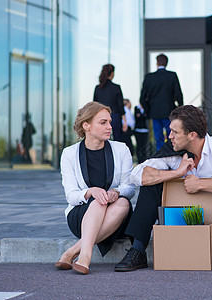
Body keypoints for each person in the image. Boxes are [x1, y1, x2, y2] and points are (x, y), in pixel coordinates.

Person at [114, 105, 212, 273]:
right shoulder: (172, 151)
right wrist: (176, 173)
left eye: (174, 132)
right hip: (182, 219)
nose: (169, 136)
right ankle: (138, 249)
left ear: (192, 135)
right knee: (152, 183)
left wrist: (199, 184)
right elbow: (136, 176)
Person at [56, 102, 136, 275]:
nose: (109, 126)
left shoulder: (121, 149)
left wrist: (116, 192)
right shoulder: (69, 154)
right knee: (98, 201)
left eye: (109, 121)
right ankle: (84, 255)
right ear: (86, 126)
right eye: (103, 122)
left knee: (123, 203)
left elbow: (129, 187)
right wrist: (91, 191)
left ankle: (75, 252)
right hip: (81, 214)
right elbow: (71, 196)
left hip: (115, 215)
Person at [140, 53, 183, 151]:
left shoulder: (149, 77)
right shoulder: (172, 76)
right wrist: (179, 108)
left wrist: (148, 111)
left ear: (157, 63)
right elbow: (178, 94)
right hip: (169, 112)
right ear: (166, 63)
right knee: (171, 136)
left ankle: (161, 158)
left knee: (158, 138)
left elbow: (142, 98)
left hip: (154, 113)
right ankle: (172, 155)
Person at [93, 64, 128, 142]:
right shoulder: (116, 87)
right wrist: (125, 122)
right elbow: (120, 106)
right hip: (115, 117)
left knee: (102, 140)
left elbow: (94, 107)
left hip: (101, 118)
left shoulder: (98, 88)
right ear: (112, 73)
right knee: (117, 140)